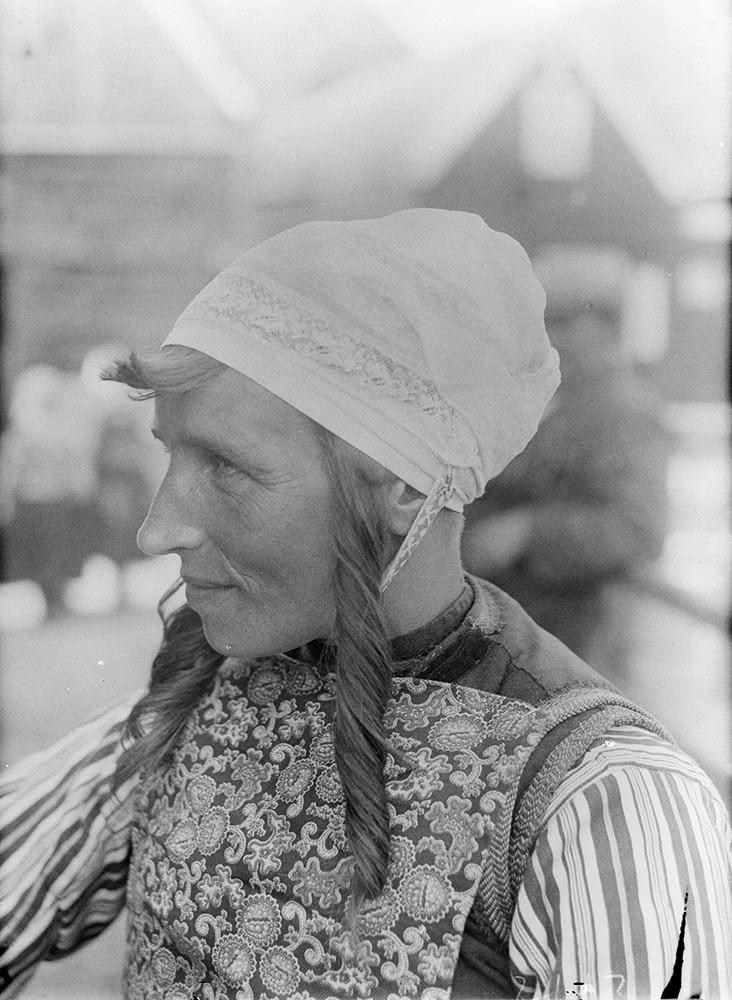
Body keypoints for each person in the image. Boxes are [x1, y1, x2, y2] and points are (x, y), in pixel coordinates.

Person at [1, 209, 729, 1000]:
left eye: (227, 466)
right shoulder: (202, 701)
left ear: (407, 485)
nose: (157, 530)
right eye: (173, 453)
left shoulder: (599, 802)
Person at [461, 250, 671, 672]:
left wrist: (526, 531)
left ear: (605, 324)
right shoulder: (562, 400)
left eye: (560, 321)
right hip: (537, 632)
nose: (545, 335)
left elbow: (638, 528)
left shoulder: (621, 409)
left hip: (580, 638)